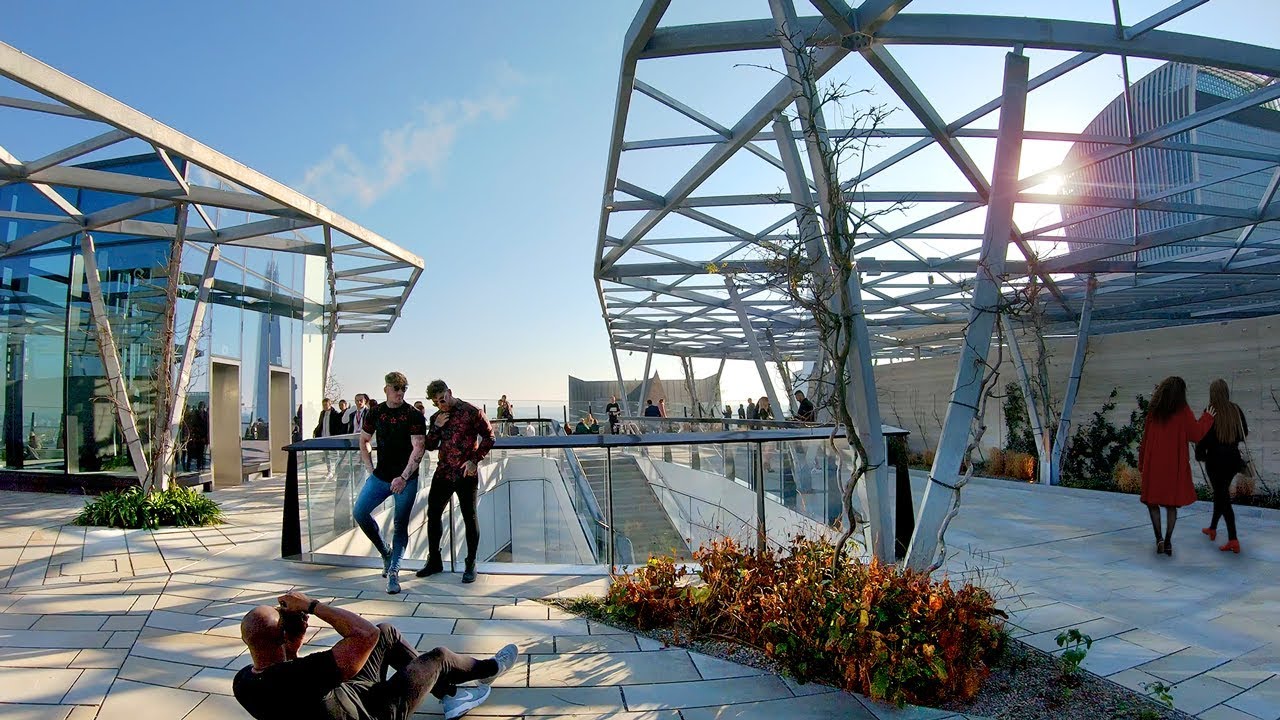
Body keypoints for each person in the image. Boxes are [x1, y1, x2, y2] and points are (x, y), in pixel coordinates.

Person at [233, 589, 517, 720]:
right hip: (376, 713)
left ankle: (451, 696)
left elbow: (289, 684)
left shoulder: (243, 682)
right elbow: (363, 634)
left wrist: (291, 646)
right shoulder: (304, 676)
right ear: (281, 635)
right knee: (439, 657)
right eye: (282, 618)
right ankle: (491, 668)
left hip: (348, 693)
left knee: (387, 632)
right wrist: (312, 605)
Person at [416, 380, 495, 584]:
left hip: (465, 474)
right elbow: (431, 446)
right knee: (433, 514)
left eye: (443, 399)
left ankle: (470, 563)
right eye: (436, 402)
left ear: (449, 392)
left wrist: (474, 460)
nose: (441, 404)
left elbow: (489, 437)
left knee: (470, 517)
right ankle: (434, 560)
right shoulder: (437, 417)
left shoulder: (472, 412)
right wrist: (435, 427)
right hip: (443, 472)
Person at [355, 372, 427, 594]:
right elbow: (364, 439)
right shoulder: (376, 413)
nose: (400, 392)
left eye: (403, 388)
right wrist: (370, 469)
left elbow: (419, 446)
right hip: (381, 476)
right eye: (396, 388)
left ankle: (394, 572)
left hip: (406, 479)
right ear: (386, 388)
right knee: (360, 512)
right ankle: (385, 553)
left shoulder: (413, 415)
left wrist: (404, 477)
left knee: (400, 524)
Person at [1138, 376, 1215, 558]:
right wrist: (1208, 417)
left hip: (1154, 464)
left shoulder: (1154, 410)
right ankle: (1169, 541)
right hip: (1173, 465)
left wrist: (1142, 462)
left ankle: (1159, 540)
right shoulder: (1183, 411)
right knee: (1171, 506)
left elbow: (1145, 438)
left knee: (1152, 503)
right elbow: (1196, 434)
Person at [1198, 379, 1249, 553]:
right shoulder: (1235, 409)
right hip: (1233, 461)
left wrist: (1201, 455)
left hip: (1215, 462)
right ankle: (1212, 528)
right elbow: (1245, 433)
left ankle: (1233, 539)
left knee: (1223, 499)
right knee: (1221, 495)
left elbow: (1202, 436)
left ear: (1212, 393)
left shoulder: (1210, 411)